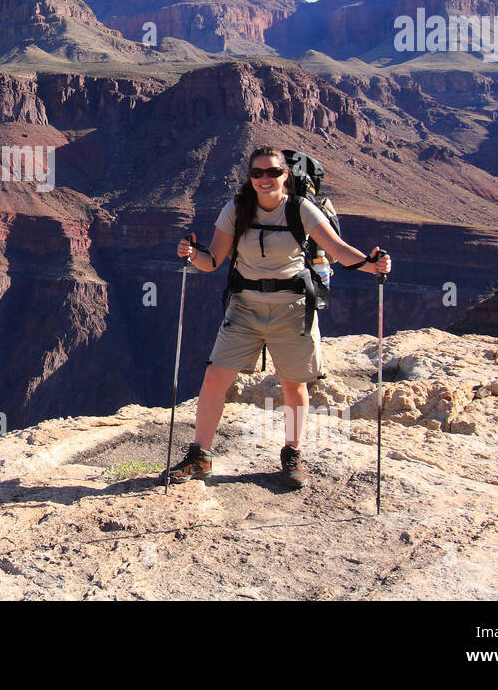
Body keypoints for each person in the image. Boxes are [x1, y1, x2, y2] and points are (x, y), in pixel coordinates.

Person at [164, 146, 392, 489]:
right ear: (249, 178)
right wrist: (191, 254)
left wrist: (371, 263)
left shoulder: (301, 209)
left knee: (293, 385)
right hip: (244, 308)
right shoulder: (236, 210)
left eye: (272, 172)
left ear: (285, 175)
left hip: (293, 309)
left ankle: (292, 453)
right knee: (215, 377)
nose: (265, 179)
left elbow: (338, 250)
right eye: (257, 173)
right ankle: (201, 456)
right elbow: (212, 261)